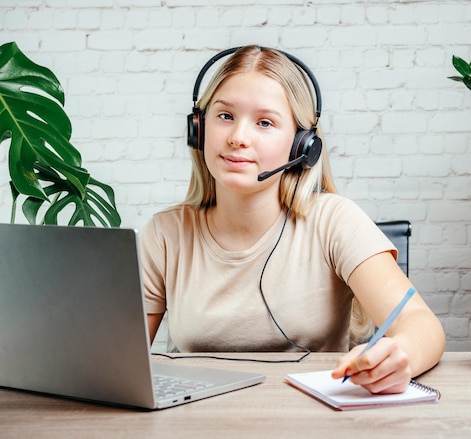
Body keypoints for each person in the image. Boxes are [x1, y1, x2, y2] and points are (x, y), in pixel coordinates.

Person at [140, 45, 445, 394]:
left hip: (313, 418)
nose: (238, 137)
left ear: (302, 145)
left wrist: (399, 354)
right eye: (224, 116)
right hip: (199, 421)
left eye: (265, 122)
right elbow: (119, 357)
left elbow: (422, 325)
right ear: (199, 127)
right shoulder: (165, 234)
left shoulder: (334, 221)